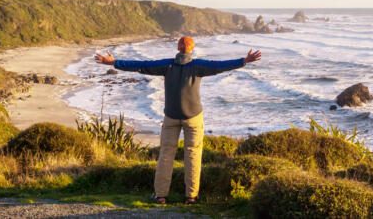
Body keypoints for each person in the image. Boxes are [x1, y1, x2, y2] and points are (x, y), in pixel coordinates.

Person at [94, 37, 261, 204]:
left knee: (165, 155)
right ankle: (191, 197)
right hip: (193, 117)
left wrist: (114, 62)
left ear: (178, 48)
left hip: (171, 116)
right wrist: (244, 61)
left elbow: (142, 65)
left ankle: (160, 195)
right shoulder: (198, 66)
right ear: (192, 49)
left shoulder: (167, 65)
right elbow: (219, 66)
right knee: (193, 155)